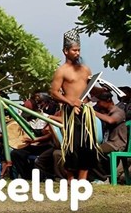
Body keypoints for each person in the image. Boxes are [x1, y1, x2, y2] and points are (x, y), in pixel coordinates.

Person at [49, 28, 99, 181]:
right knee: (73, 146)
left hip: (86, 111)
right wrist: (71, 102)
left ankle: (83, 180)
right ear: (65, 51)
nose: (77, 53)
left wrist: (101, 88)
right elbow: (54, 92)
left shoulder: (85, 69)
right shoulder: (62, 71)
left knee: (87, 145)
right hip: (71, 112)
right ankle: (71, 180)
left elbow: (91, 89)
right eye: (74, 50)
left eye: (79, 50)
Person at [92, 90, 127, 180]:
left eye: (99, 102)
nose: (97, 104)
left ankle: (103, 178)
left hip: (116, 143)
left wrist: (93, 112)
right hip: (109, 142)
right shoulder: (105, 112)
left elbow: (111, 120)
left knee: (92, 151)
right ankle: (98, 176)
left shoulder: (119, 112)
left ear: (108, 100)